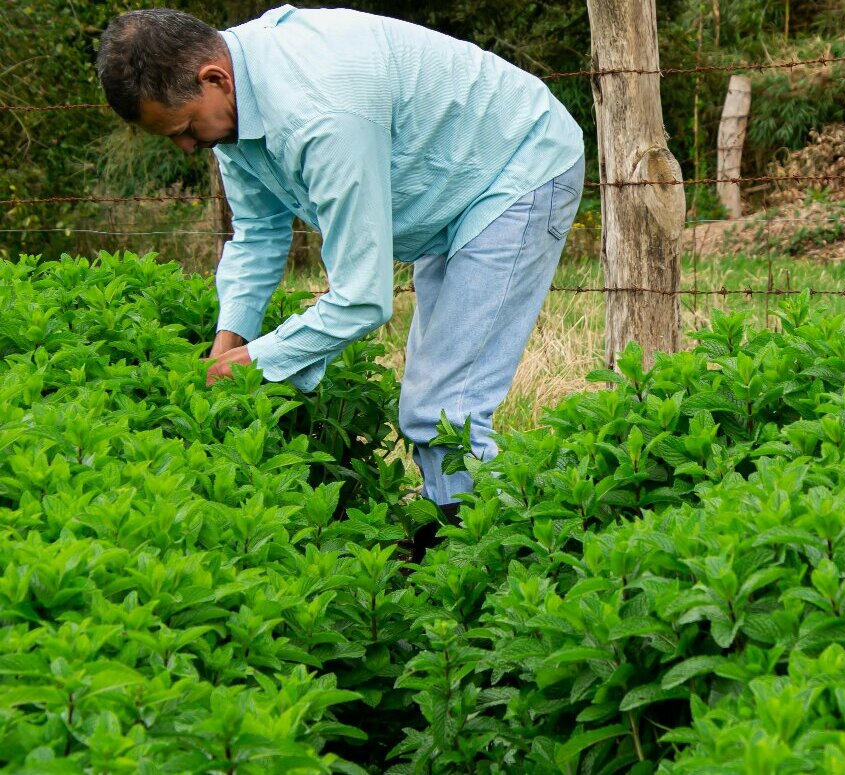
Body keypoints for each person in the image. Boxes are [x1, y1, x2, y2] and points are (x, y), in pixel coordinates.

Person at [95, 5, 585, 557]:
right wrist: (229, 338)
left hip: (514, 166)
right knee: (432, 404)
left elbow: (361, 299)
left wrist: (260, 360)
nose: (187, 147)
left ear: (215, 78)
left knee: (445, 408)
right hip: (451, 188)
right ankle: (451, 542)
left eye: (185, 129)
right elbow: (256, 232)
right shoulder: (233, 106)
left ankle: (513, 560)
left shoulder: (318, 112)